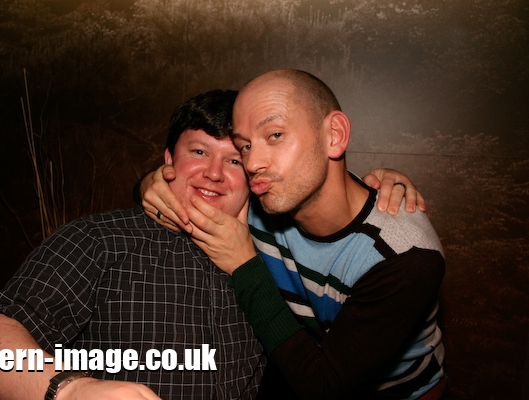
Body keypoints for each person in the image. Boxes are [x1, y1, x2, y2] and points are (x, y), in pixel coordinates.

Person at [141, 70, 446, 399]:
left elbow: (322, 386)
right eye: (245, 147)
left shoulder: (404, 257)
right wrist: (150, 185)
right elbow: (195, 190)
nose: (253, 163)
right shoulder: (262, 201)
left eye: (274, 135)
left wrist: (243, 264)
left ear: (334, 135)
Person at [0, 90, 265, 400]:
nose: (214, 173)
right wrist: (72, 392)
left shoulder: (271, 258)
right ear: (169, 159)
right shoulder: (99, 239)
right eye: (199, 152)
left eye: (234, 161)